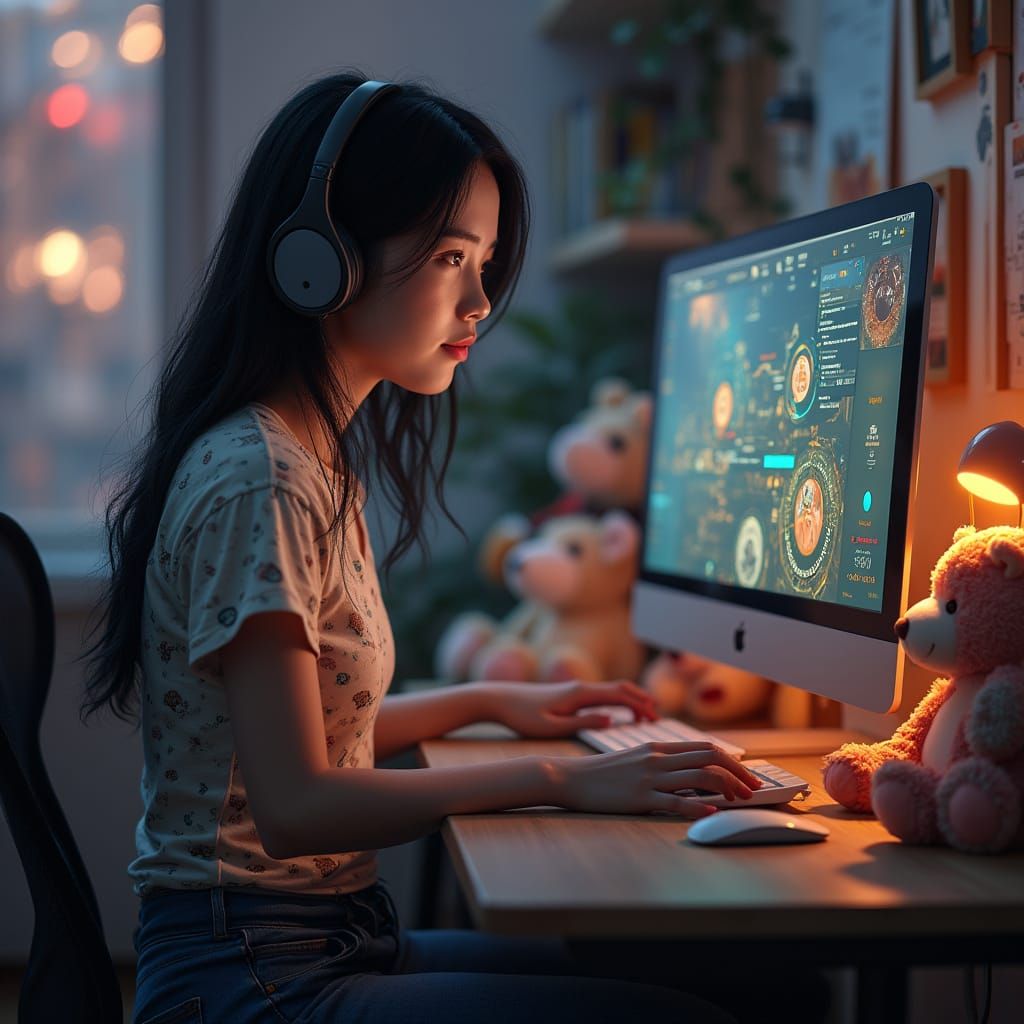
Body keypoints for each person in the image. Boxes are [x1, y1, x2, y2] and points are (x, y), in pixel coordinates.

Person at [80, 70, 824, 1024]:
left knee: (769, 990)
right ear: (322, 259)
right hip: (248, 977)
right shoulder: (256, 475)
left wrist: (497, 703)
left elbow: (310, 733)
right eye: (448, 257)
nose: (480, 302)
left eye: (485, 262)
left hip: (325, 938)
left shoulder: (305, 455)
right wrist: (566, 779)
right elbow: (296, 801)